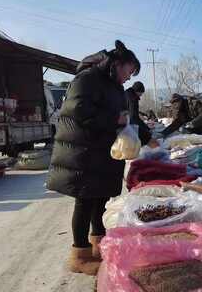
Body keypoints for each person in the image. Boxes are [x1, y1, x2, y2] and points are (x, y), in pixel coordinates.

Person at [46, 40, 140, 275]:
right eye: (129, 71)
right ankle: (79, 255)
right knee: (85, 201)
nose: (129, 77)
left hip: (101, 150)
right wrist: (114, 120)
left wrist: (134, 130)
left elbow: (116, 114)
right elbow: (78, 111)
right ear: (117, 64)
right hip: (83, 150)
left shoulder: (112, 84)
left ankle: (99, 245)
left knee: (100, 199)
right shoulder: (87, 78)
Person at [125, 81, 152, 145]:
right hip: (127, 126)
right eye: (141, 93)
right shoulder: (133, 98)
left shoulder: (127, 94)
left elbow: (134, 113)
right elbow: (134, 117)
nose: (141, 95)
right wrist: (146, 130)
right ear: (137, 91)